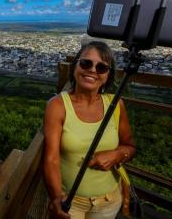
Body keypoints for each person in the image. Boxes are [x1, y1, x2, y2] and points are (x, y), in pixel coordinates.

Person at [43, 41, 135, 219]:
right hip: (70, 200)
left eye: (101, 67)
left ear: (108, 76)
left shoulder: (116, 105)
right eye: (86, 63)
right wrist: (55, 197)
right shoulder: (57, 105)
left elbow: (129, 147)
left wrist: (117, 155)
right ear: (75, 66)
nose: (92, 70)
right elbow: (51, 157)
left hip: (110, 199)